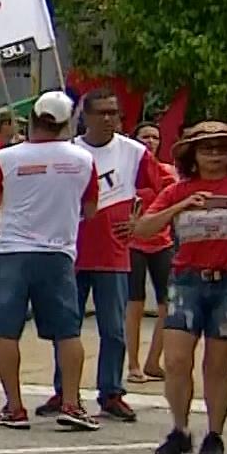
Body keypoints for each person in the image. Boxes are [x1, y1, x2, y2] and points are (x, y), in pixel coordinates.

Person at [34, 88, 167, 422]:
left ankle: (111, 392)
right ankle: (65, 392)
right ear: (85, 117)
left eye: (114, 113)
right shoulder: (67, 152)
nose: (108, 119)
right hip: (69, 252)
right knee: (67, 328)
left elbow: (167, 186)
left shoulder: (133, 152)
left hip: (113, 253)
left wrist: (141, 219)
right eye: (101, 113)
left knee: (114, 329)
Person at [0, 91, 100, 432]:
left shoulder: (4, 158)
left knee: (6, 331)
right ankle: (71, 402)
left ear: (31, 118)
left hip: (11, 251)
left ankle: (14, 407)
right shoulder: (83, 160)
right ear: (67, 123)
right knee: (67, 331)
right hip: (58, 251)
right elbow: (90, 210)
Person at [134, 121, 227, 454]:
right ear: (193, 155)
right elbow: (144, 227)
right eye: (206, 149)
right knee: (177, 360)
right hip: (186, 281)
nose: (214, 156)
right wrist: (181, 207)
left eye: (221, 149)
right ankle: (179, 429)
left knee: (217, 364)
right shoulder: (179, 190)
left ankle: (215, 433)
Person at [127, 121, 178, 384]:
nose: (150, 141)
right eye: (144, 136)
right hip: (132, 243)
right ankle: (133, 363)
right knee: (133, 304)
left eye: (155, 137)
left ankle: (153, 361)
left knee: (167, 304)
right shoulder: (128, 171)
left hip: (162, 242)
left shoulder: (167, 171)